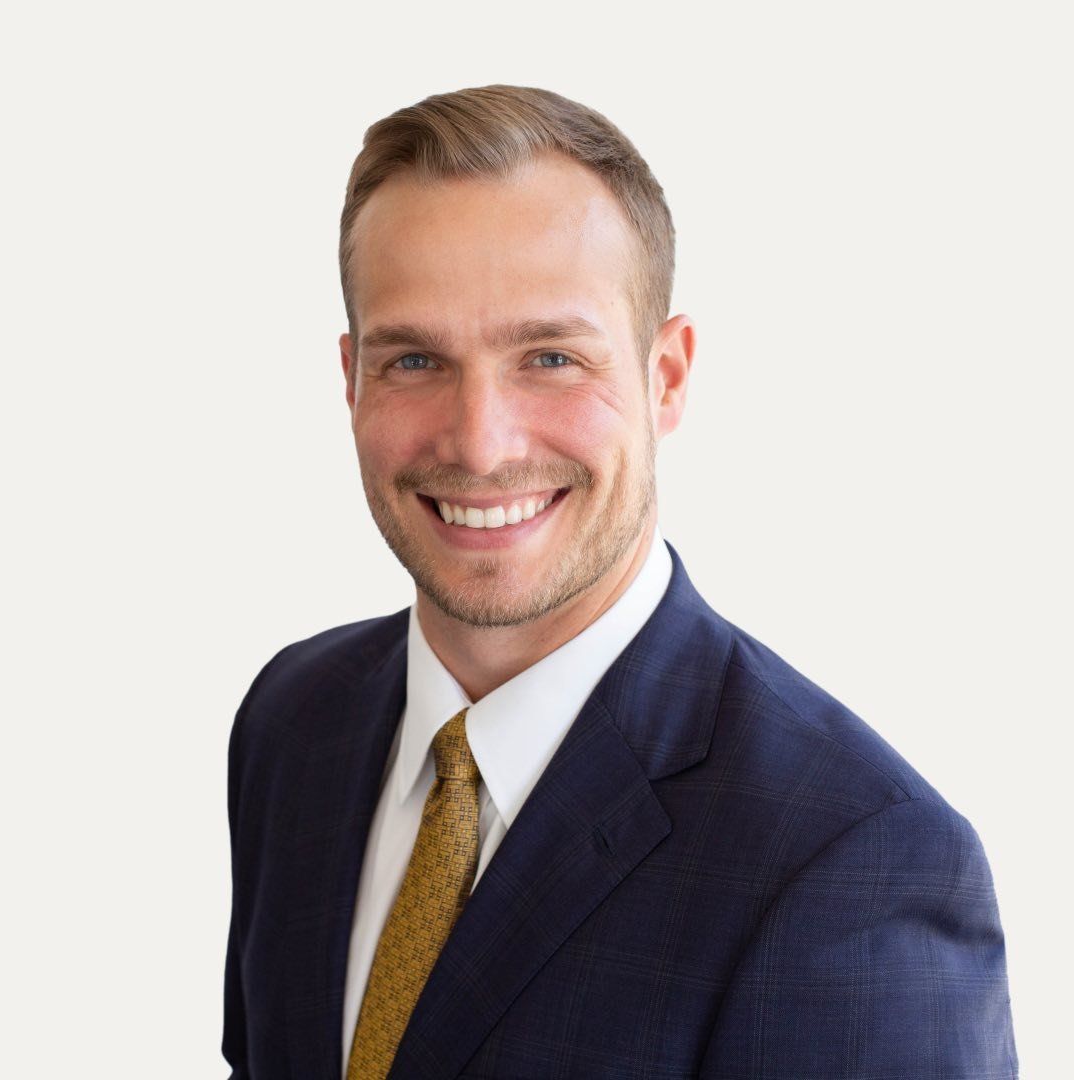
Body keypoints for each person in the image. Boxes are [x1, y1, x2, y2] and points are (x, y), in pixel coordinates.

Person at [222, 85, 1017, 1079]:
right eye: (416, 359)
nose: (480, 442)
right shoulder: (294, 721)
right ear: (350, 381)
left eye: (550, 357)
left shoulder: (854, 862)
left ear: (667, 377)